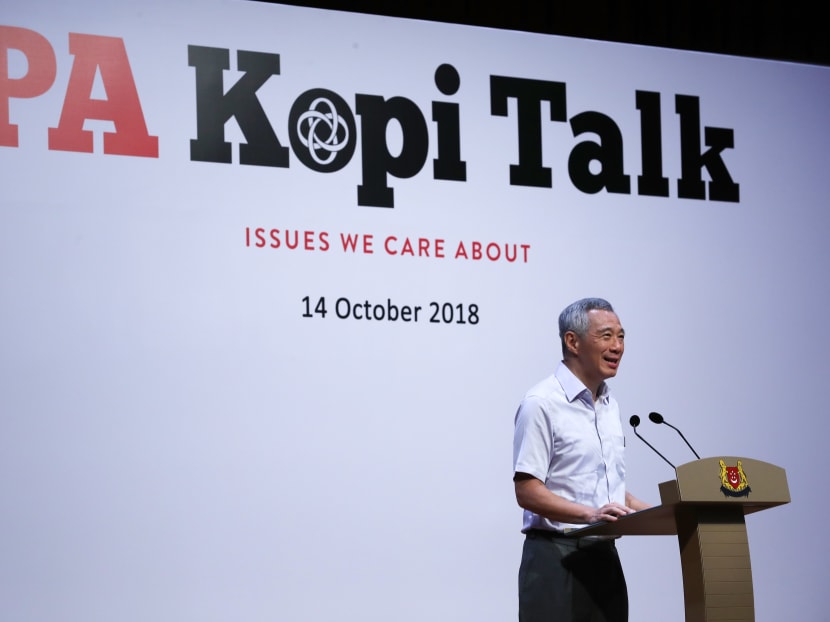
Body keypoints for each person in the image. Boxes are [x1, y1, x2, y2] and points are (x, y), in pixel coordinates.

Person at [512, 297, 649, 622]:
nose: (617, 346)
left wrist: (666, 515)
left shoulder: (609, 405)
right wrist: (590, 514)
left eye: (621, 336)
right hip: (555, 557)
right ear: (572, 342)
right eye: (606, 336)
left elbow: (607, 490)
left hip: (604, 556)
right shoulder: (541, 403)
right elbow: (527, 490)